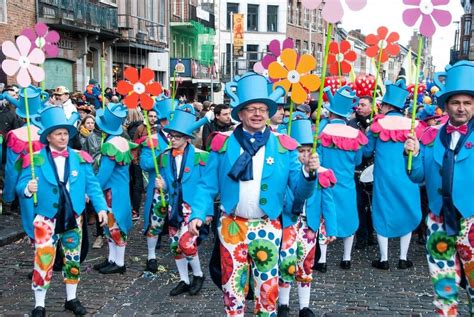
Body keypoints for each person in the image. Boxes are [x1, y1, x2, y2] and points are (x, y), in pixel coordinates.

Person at [187, 72, 320, 316]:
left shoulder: (284, 145)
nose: (257, 113)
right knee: (232, 290)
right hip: (231, 226)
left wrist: (309, 174)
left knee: (268, 292)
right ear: (240, 113)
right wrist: (198, 213)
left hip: (268, 225)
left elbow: (300, 192)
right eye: (251, 108)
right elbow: (206, 186)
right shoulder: (222, 143)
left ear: (269, 113)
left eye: (262, 108)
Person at [16, 105, 108, 317]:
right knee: (43, 260)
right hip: (46, 218)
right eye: (58, 133)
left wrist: (101, 207)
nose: (63, 137)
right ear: (48, 137)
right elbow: (20, 187)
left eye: (66, 133)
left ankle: (71, 299)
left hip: (73, 217)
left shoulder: (80, 157)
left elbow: (92, 185)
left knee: (73, 258)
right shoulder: (34, 159)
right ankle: (39, 304)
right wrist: (27, 189)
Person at [404, 60, 474, 316]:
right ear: (446, 106)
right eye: (456, 103)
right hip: (438, 221)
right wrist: (410, 156)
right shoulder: (430, 136)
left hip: (472, 220)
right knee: (444, 290)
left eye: (467, 103)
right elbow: (417, 176)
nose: (461, 108)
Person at [278, 113, 337, 317]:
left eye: (307, 151)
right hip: (288, 223)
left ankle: (304, 306)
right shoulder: (286, 172)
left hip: (310, 225)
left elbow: (328, 202)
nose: (303, 155)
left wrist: (331, 227)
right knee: (286, 262)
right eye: (299, 151)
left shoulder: (322, 173)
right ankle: (283, 304)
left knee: (305, 264)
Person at [148, 104, 209, 295]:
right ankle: (183, 279)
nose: (172, 139)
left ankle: (198, 275)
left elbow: (208, 187)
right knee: (175, 246)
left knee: (186, 243)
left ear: (187, 138)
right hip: (174, 206)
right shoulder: (165, 157)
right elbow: (167, 181)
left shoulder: (202, 157)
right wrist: (163, 186)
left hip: (192, 208)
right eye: (171, 136)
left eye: (176, 137)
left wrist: (208, 212)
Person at [363, 79, 424, 270]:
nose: (380, 108)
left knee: (382, 212)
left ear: (388, 105)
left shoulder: (377, 126)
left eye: (382, 105)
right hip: (408, 175)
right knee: (407, 210)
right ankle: (403, 258)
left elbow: (366, 152)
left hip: (384, 178)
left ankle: (384, 259)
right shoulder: (414, 125)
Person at [316, 86, 368, 271]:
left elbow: (318, 159)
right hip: (346, 182)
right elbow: (358, 160)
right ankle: (346, 258)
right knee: (349, 218)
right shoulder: (355, 134)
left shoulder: (322, 133)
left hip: (325, 182)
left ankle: (321, 260)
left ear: (330, 113)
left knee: (325, 218)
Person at [93, 103, 138, 274]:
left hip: (112, 192)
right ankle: (112, 258)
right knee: (109, 226)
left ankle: (119, 262)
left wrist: (93, 191)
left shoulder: (110, 145)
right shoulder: (122, 141)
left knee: (114, 226)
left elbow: (104, 174)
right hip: (119, 190)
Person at [139, 96, 177, 258]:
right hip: (158, 188)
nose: (170, 123)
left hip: (176, 187)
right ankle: (151, 254)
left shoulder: (183, 139)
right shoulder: (152, 140)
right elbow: (144, 164)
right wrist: (160, 156)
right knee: (155, 221)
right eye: (167, 120)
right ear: (161, 123)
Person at [348, 96, 376, 249]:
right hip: (357, 168)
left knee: (372, 204)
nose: (359, 107)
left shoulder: (377, 124)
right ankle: (361, 236)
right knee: (359, 204)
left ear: (371, 108)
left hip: (373, 168)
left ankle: (371, 233)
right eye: (358, 104)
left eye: (363, 104)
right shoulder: (352, 124)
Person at [127, 108, 145, 221]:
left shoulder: (133, 129)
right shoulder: (139, 128)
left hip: (138, 159)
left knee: (136, 183)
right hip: (137, 159)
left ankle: (135, 209)